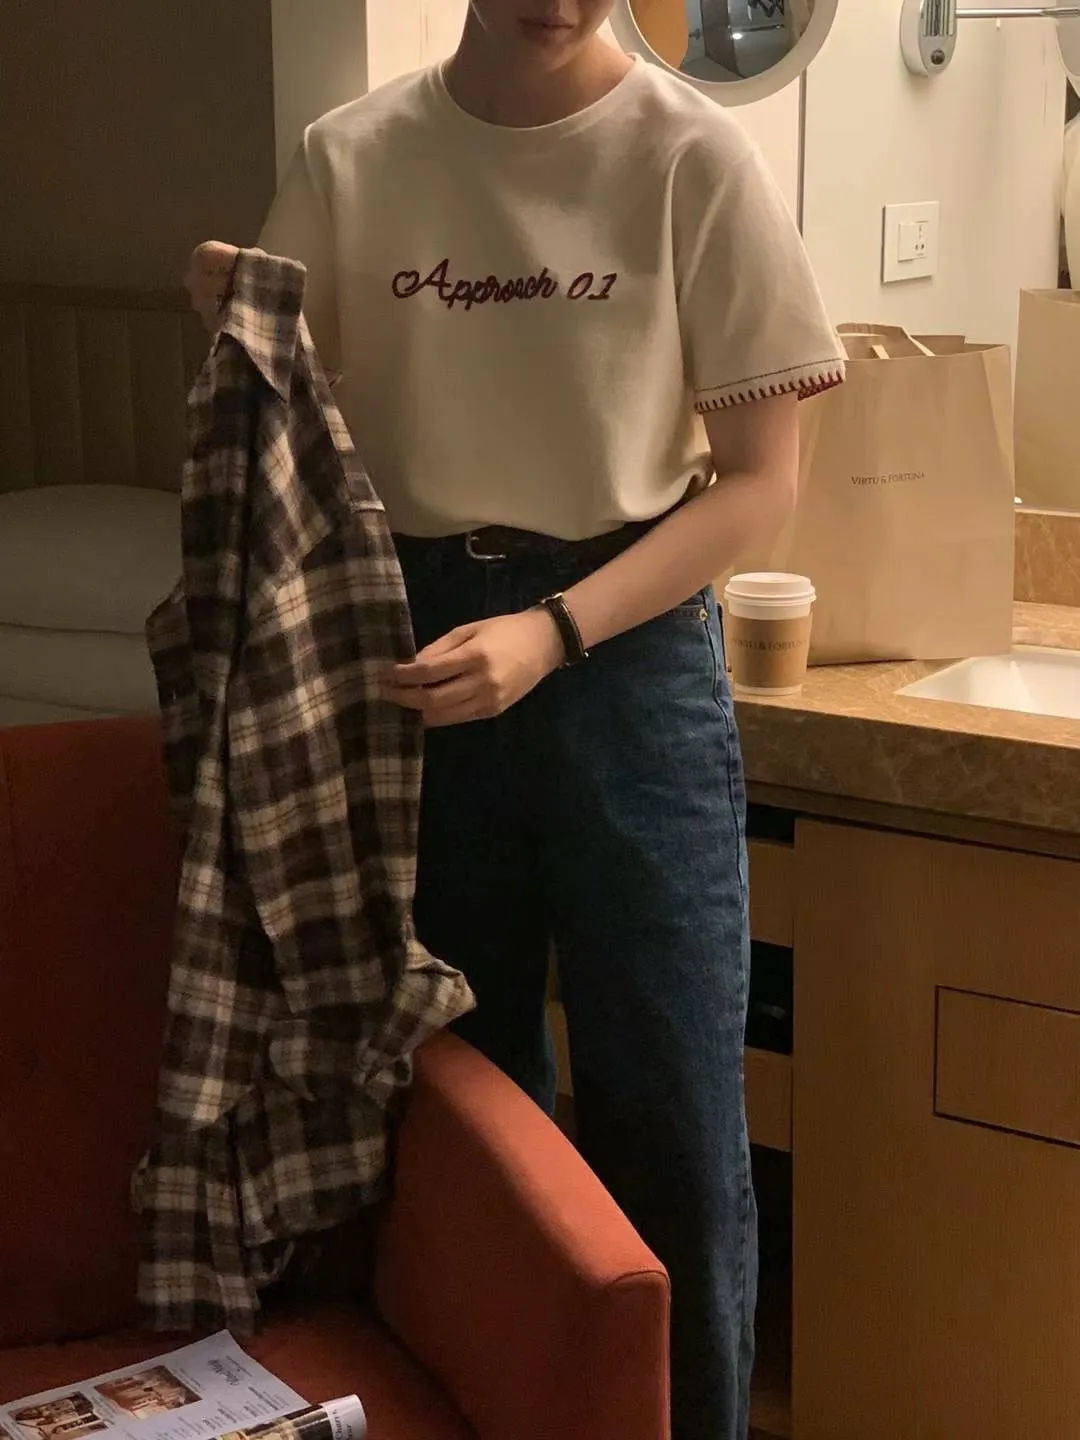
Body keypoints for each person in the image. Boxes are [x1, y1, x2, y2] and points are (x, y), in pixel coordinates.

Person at [188, 3, 843, 1435]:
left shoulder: (690, 159)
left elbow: (760, 484)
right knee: (462, 1114)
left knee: (671, 1115)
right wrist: (231, 317)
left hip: (630, 652)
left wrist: (554, 632)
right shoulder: (354, 157)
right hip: (412, 639)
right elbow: (282, 422)